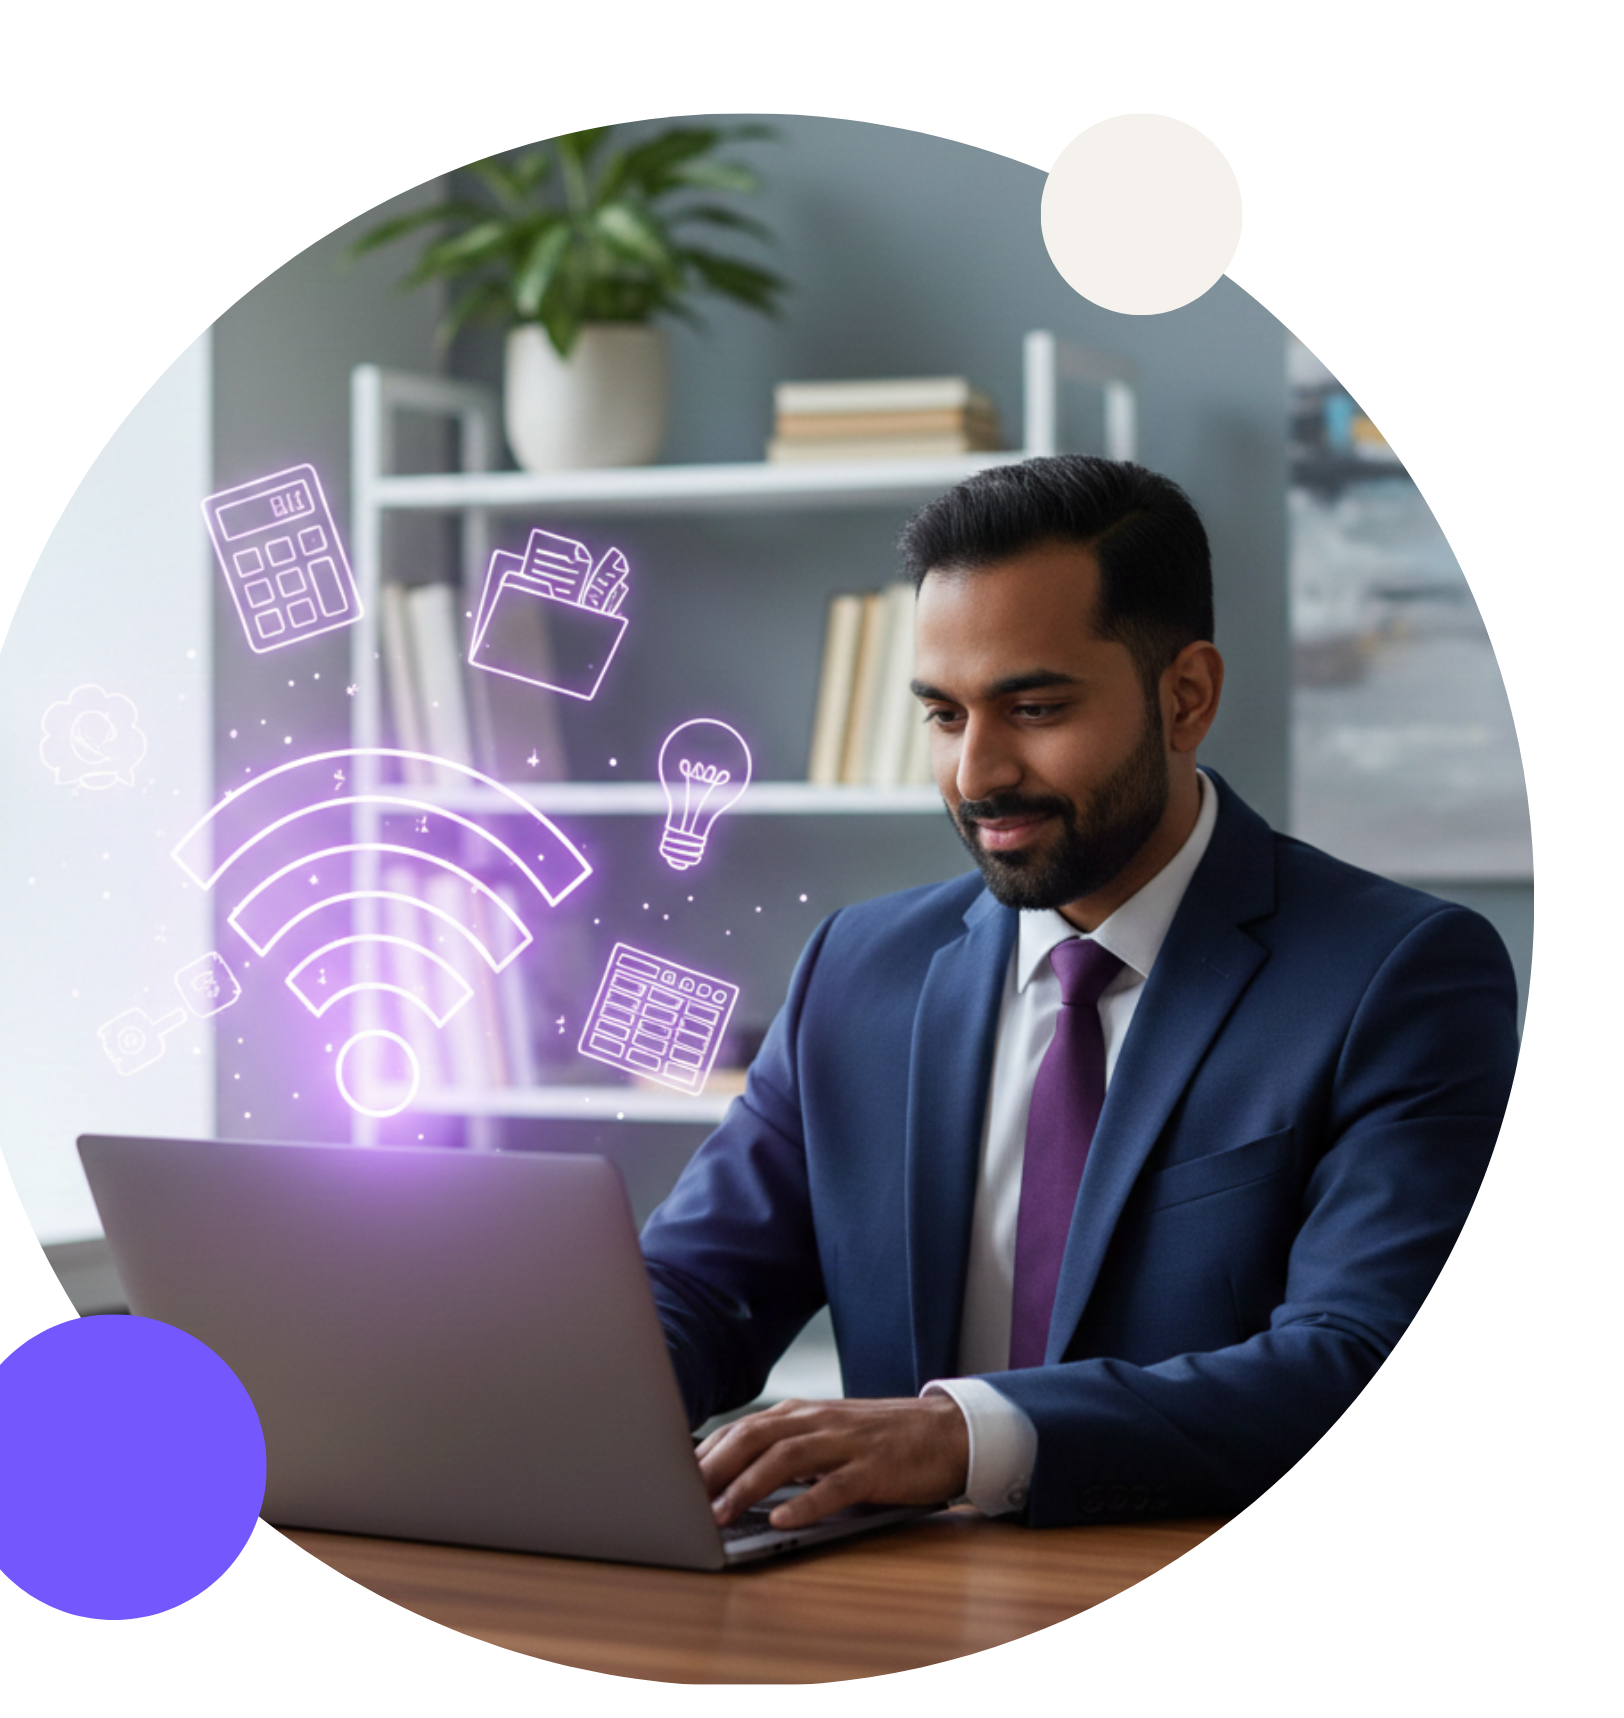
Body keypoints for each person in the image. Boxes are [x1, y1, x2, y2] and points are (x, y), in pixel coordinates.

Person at [638, 456, 1517, 1531]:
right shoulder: (856, 970)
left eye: (1035, 706)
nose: (976, 775)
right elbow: (693, 1293)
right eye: (945, 717)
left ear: (1185, 696)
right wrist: (547, 1386)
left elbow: (1354, 1359)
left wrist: (962, 1438)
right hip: (878, 1605)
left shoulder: (1402, 978)